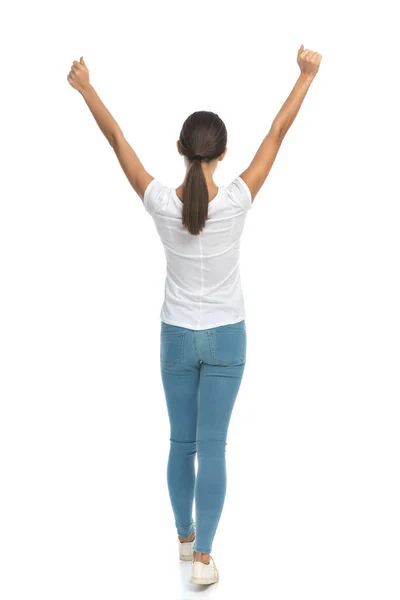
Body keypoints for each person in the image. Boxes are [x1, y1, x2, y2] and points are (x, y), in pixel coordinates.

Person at [67, 44, 322, 585]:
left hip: (177, 339)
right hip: (227, 339)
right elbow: (277, 134)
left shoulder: (161, 202)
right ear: (222, 155)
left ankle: (184, 540)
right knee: (213, 446)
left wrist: (87, 88)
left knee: (181, 443)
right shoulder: (237, 200)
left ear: (180, 151)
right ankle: (203, 559)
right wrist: (306, 76)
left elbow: (118, 142)